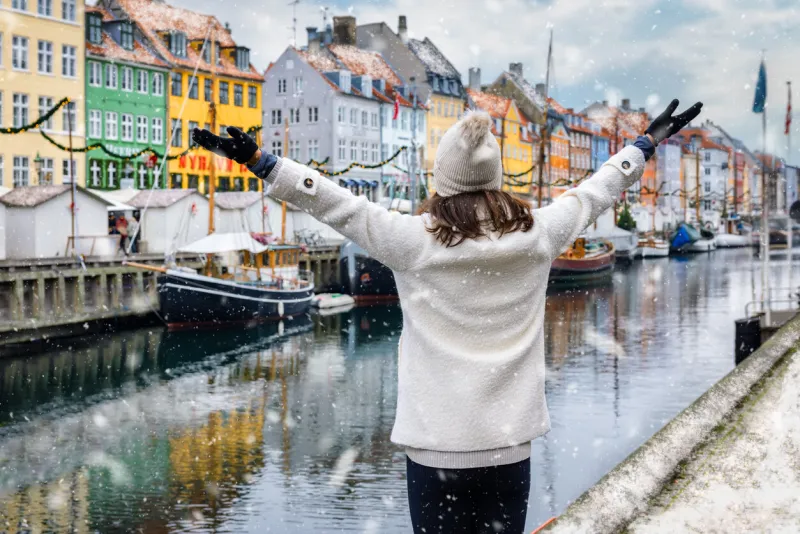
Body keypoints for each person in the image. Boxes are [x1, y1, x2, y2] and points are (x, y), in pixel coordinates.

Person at [192, 98, 702, 534]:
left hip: (436, 453)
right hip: (508, 448)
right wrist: (644, 145)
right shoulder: (539, 234)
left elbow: (335, 203)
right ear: (495, 178)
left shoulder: (412, 241)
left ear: (443, 179)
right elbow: (596, 191)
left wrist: (262, 162)